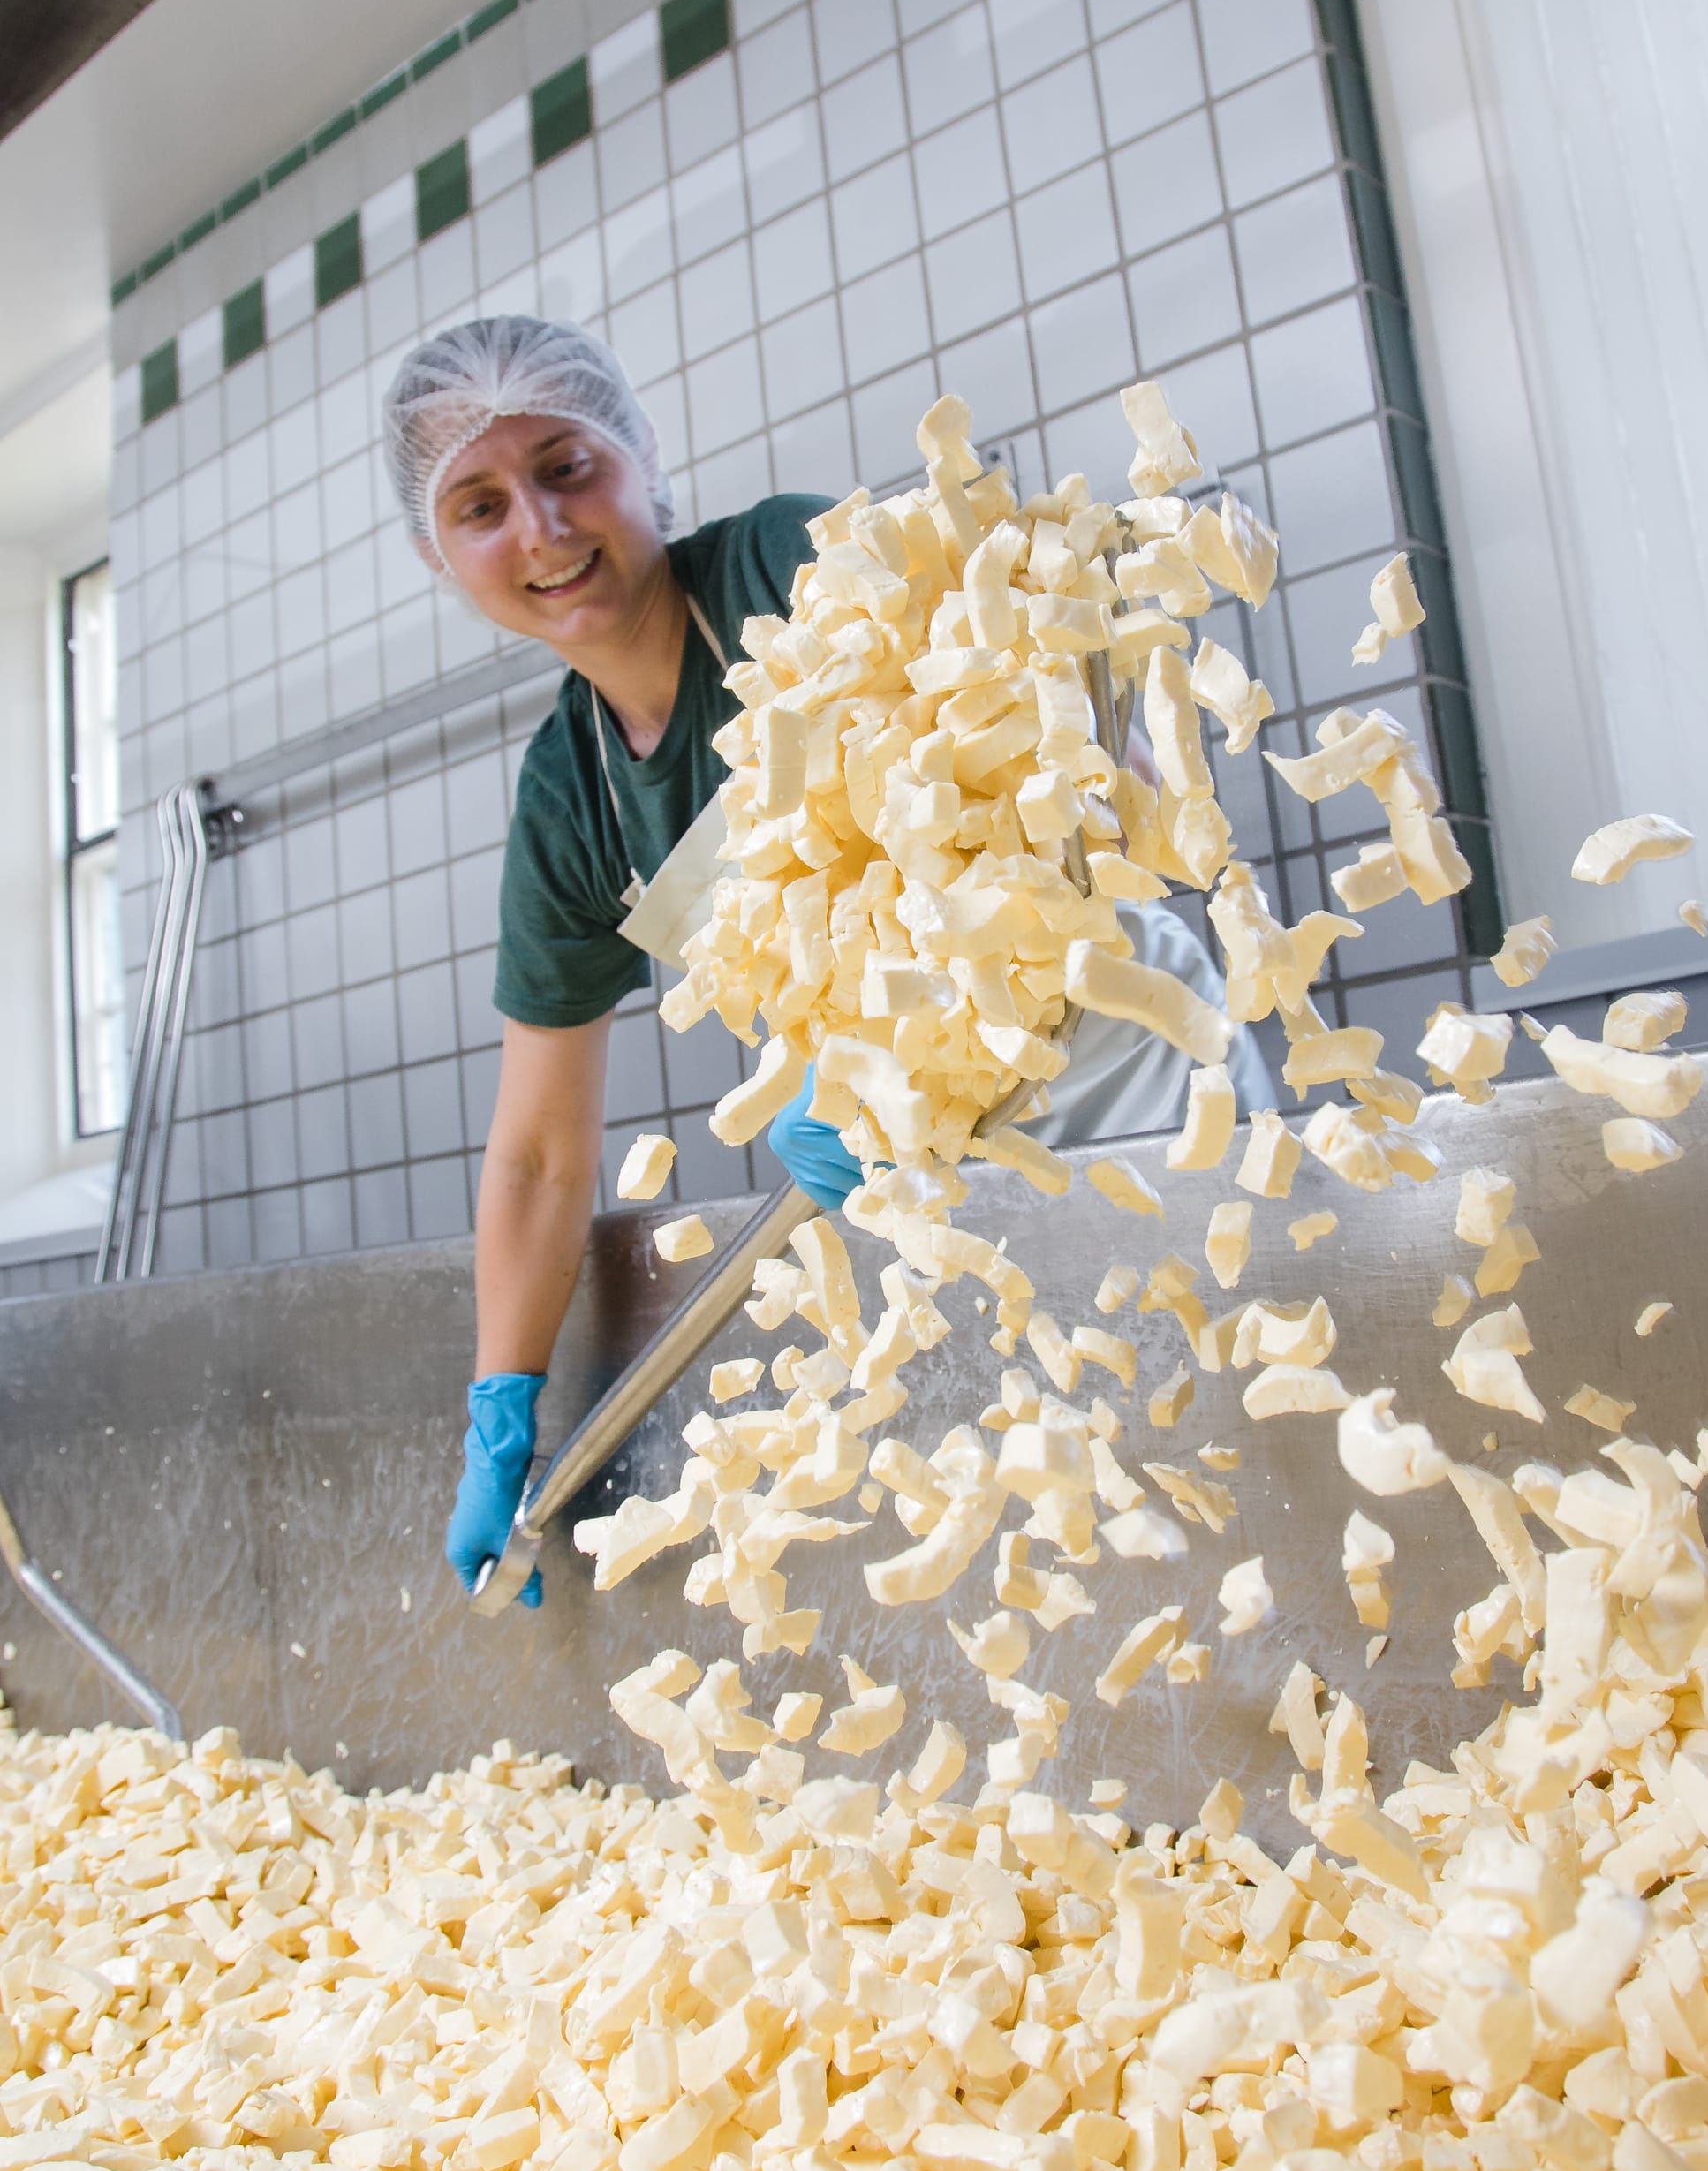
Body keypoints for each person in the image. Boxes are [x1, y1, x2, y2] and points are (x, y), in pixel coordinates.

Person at [380, 314, 1267, 1613]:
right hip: (919, 1188)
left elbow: (1086, 784)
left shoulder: (788, 568)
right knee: (1087, 1564)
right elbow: (537, 1154)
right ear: (437, 554)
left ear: (637, 457)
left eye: (567, 468)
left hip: (1122, 1081)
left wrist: (888, 1050)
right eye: (480, 505)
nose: (542, 530)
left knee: (1242, 1452)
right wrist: (500, 1409)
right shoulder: (569, 801)